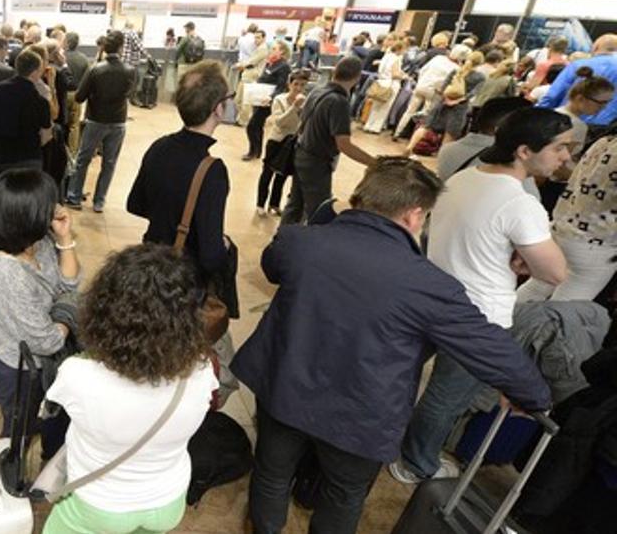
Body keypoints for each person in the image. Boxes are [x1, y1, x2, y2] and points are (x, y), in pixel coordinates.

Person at [232, 158, 552, 534]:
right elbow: (486, 344)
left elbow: (273, 267)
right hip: (361, 414)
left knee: (271, 472)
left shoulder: (300, 241)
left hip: (283, 387)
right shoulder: (430, 285)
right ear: (415, 215)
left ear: (360, 196)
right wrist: (532, 395)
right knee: (344, 494)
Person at [393, 108, 572, 483]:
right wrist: (527, 258)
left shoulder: (462, 179)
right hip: (478, 314)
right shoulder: (521, 204)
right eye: (559, 148)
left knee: (404, 377)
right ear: (524, 150)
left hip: (433, 294)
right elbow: (556, 272)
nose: (566, 158)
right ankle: (415, 462)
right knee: (447, 395)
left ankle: (394, 441)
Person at [43, 244, 217, 534]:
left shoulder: (79, 375)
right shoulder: (201, 372)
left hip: (97, 506)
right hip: (168, 501)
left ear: (103, 312)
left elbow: (55, 405)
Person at [0, 169, 78, 461]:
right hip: (19, 368)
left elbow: (68, 284)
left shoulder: (36, 242)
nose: (56, 210)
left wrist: (65, 237)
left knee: (44, 418)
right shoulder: (7, 274)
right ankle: (10, 472)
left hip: (39, 362)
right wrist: (67, 315)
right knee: (17, 430)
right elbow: (46, 342)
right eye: (49, 206)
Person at [128, 60, 231, 292]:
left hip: (151, 265)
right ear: (217, 108)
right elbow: (210, 257)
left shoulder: (160, 146)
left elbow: (135, 204)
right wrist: (224, 246)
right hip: (183, 280)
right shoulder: (212, 170)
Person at [517, 124, 617, 303]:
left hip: (563, 228)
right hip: (597, 244)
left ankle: (497, 324)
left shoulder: (604, 141)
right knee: (565, 308)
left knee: (537, 287)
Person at [280, 57, 375, 225]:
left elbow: (302, 119)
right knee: (319, 210)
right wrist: (374, 162)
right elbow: (343, 144)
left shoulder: (317, 91)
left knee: (295, 204)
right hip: (317, 161)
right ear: (357, 77)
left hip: (301, 153)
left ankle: (283, 240)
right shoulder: (339, 102)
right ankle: (312, 247)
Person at [65, 31, 135, 213]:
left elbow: (80, 97)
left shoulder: (96, 69)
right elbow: (130, 94)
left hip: (96, 120)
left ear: (104, 47)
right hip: (118, 121)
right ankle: (99, 201)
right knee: (109, 163)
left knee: (83, 159)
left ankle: (74, 196)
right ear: (121, 48)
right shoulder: (130, 71)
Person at [0, 48, 51, 176]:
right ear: (35, 72)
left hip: (3, 156)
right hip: (30, 157)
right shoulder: (40, 100)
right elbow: (45, 136)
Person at [407, 49, 485, 154]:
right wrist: (458, 100)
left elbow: (444, 86)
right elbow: (474, 93)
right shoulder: (480, 77)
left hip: (443, 103)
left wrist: (446, 98)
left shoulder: (456, 70)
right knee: (450, 134)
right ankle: (441, 158)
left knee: (426, 126)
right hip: (459, 108)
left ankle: (410, 147)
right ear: (480, 63)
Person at [257, 71, 307, 216]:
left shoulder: (306, 101)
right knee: (267, 173)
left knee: (282, 175)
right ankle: (260, 204)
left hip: (293, 143)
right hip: (277, 141)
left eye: (302, 85)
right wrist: (294, 107)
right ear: (289, 84)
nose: (298, 88)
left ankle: (274, 204)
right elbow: (279, 122)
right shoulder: (280, 99)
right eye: (295, 84)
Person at [394, 32, 456, 138]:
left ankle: (398, 132)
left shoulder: (429, 53)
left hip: (421, 85)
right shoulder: (449, 61)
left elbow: (421, 69)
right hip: (434, 90)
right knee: (426, 114)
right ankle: (415, 136)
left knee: (409, 111)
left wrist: (420, 81)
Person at [244, 41, 292, 160]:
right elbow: (263, 78)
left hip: (268, 100)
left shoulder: (284, 66)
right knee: (257, 126)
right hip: (259, 98)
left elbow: (281, 87)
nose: (271, 50)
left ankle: (253, 151)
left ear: (282, 51)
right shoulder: (270, 63)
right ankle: (256, 151)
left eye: (275, 48)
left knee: (252, 125)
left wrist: (271, 97)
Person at [364, 35, 406, 134]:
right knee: (384, 108)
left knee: (375, 106)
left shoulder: (386, 56)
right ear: (400, 49)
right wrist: (404, 76)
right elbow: (395, 74)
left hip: (380, 81)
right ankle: (375, 128)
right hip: (390, 85)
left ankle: (368, 125)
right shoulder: (396, 59)